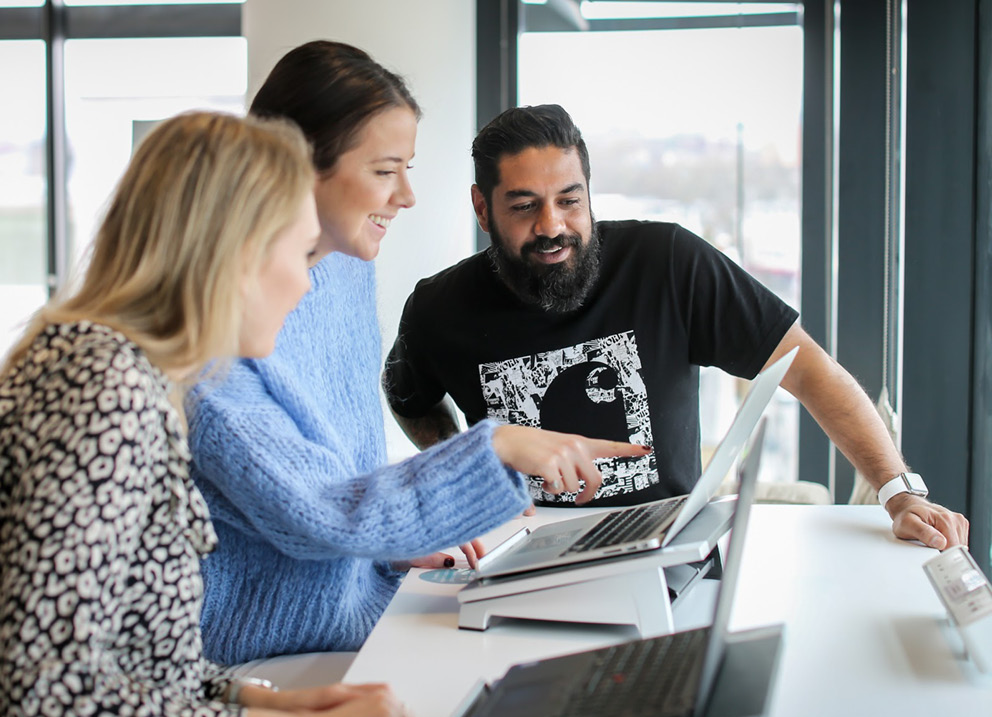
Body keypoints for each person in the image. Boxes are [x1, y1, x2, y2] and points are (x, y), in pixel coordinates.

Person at [186, 42, 647, 666]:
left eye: (407, 167)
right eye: (384, 170)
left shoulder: (342, 268)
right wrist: (498, 444)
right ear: (292, 164)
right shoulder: (216, 333)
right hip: (270, 651)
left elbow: (336, 474)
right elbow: (314, 509)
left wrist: (388, 548)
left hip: (364, 607)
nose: (406, 194)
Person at [0, 111, 422, 717]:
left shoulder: (132, 375)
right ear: (238, 252)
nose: (308, 282)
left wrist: (282, 707)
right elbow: (41, 697)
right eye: (302, 253)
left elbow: (141, 664)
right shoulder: (103, 385)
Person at [383, 103, 969, 551]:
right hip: (518, 549)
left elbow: (809, 370)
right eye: (523, 205)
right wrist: (461, 473)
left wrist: (897, 491)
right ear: (482, 208)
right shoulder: (439, 307)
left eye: (569, 199)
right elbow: (408, 396)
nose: (552, 225)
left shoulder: (667, 261)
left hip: (668, 550)